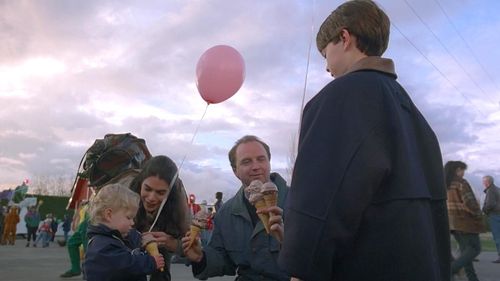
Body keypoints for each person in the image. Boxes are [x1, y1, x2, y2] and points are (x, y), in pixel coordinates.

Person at [278, 1, 451, 280]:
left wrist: (301, 269)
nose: (326, 67)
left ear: (344, 38)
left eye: (326, 53)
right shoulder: (415, 116)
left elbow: (322, 202)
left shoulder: (341, 97)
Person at [182, 135, 288, 280]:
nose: (256, 166)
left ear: (269, 163)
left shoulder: (298, 202)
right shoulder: (226, 214)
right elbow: (224, 260)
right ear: (235, 171)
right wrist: (201, 257)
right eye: (246, 162)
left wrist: (288, 244)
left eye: (261, 159)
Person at [84, 183, 164, 281]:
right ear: (109, 215)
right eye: (129, 217)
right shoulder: (101, 247)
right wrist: (151, 262)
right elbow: (126, 266)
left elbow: (133, 239)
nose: (132, 222)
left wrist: (144, 240)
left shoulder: (116, 237)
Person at [130, 155, 190, 281]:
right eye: (147, 189)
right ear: (140, 183)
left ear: (170, 193)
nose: (151, 197)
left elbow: (192, 248)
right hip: (130, 244)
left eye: (160, 192)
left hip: (162, 241)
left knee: (161, 272)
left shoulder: (178, 205)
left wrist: (172, 244)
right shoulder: (126, 195)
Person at [445, 161, 485, 280]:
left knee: (465, 253)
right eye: (463, 170)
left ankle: (473, 278)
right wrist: (478, 214)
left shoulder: (445, 184)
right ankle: (450, 270)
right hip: (465, 222)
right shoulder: (461, 183)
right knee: (475, 249)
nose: (463, 173)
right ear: (457, 170)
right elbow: (470, 203)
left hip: (452, 223)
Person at [482, 175, 500, 263]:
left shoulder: (491, 190)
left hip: (495, 215)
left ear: (487, 182)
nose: (483, 183)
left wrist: (484, 210)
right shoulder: (497, 189)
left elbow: (490, 204)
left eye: (484, 181)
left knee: (497, 237)